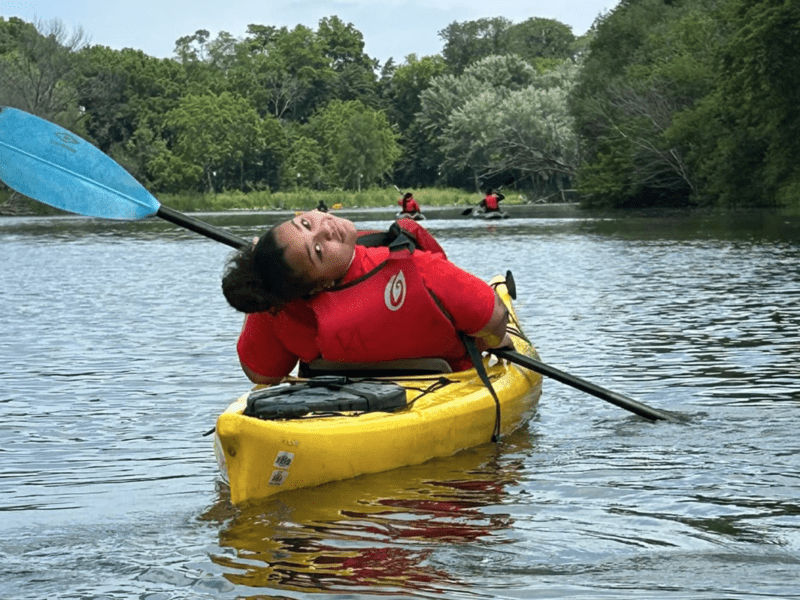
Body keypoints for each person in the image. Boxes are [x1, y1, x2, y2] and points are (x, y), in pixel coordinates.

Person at [221, 211, 512, 385]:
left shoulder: (284, 310)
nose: (325, 228)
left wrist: (264, 275)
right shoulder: (421, 270)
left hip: (339, 399)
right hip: (443, 386)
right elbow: (495, 320)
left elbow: (262, 373)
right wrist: (501, 344)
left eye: (306, 224)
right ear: (318, 286)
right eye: (318, 251)